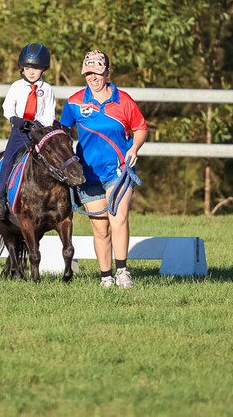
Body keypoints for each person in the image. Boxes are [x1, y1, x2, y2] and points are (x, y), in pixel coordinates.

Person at [59, 50, 147, 288]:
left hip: (118, 170)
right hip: (88, 174)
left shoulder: (123, 100)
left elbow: (140, 127)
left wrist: (134, 148)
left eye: (97, 72)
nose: (93, 77)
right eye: (88, 72)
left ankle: (122, 272)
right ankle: (106, 276)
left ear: (107, 72)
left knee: (118, 218)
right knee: (100, 229)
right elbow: (63, 133)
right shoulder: (74, 102)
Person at [0, 43, 56, 220]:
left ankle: (60, 198)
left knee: (55, 158)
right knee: (9, 158)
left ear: (43, 69)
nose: (31, 72)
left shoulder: (47, 90)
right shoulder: (16, 86)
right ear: (22, 69)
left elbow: (50, 114)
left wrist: (38, 124)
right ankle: (0, 199)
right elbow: (7, 106)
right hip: (19, 132)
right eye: (27, 68)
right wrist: (15, 119)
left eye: (36, 68)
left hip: (39, 132)